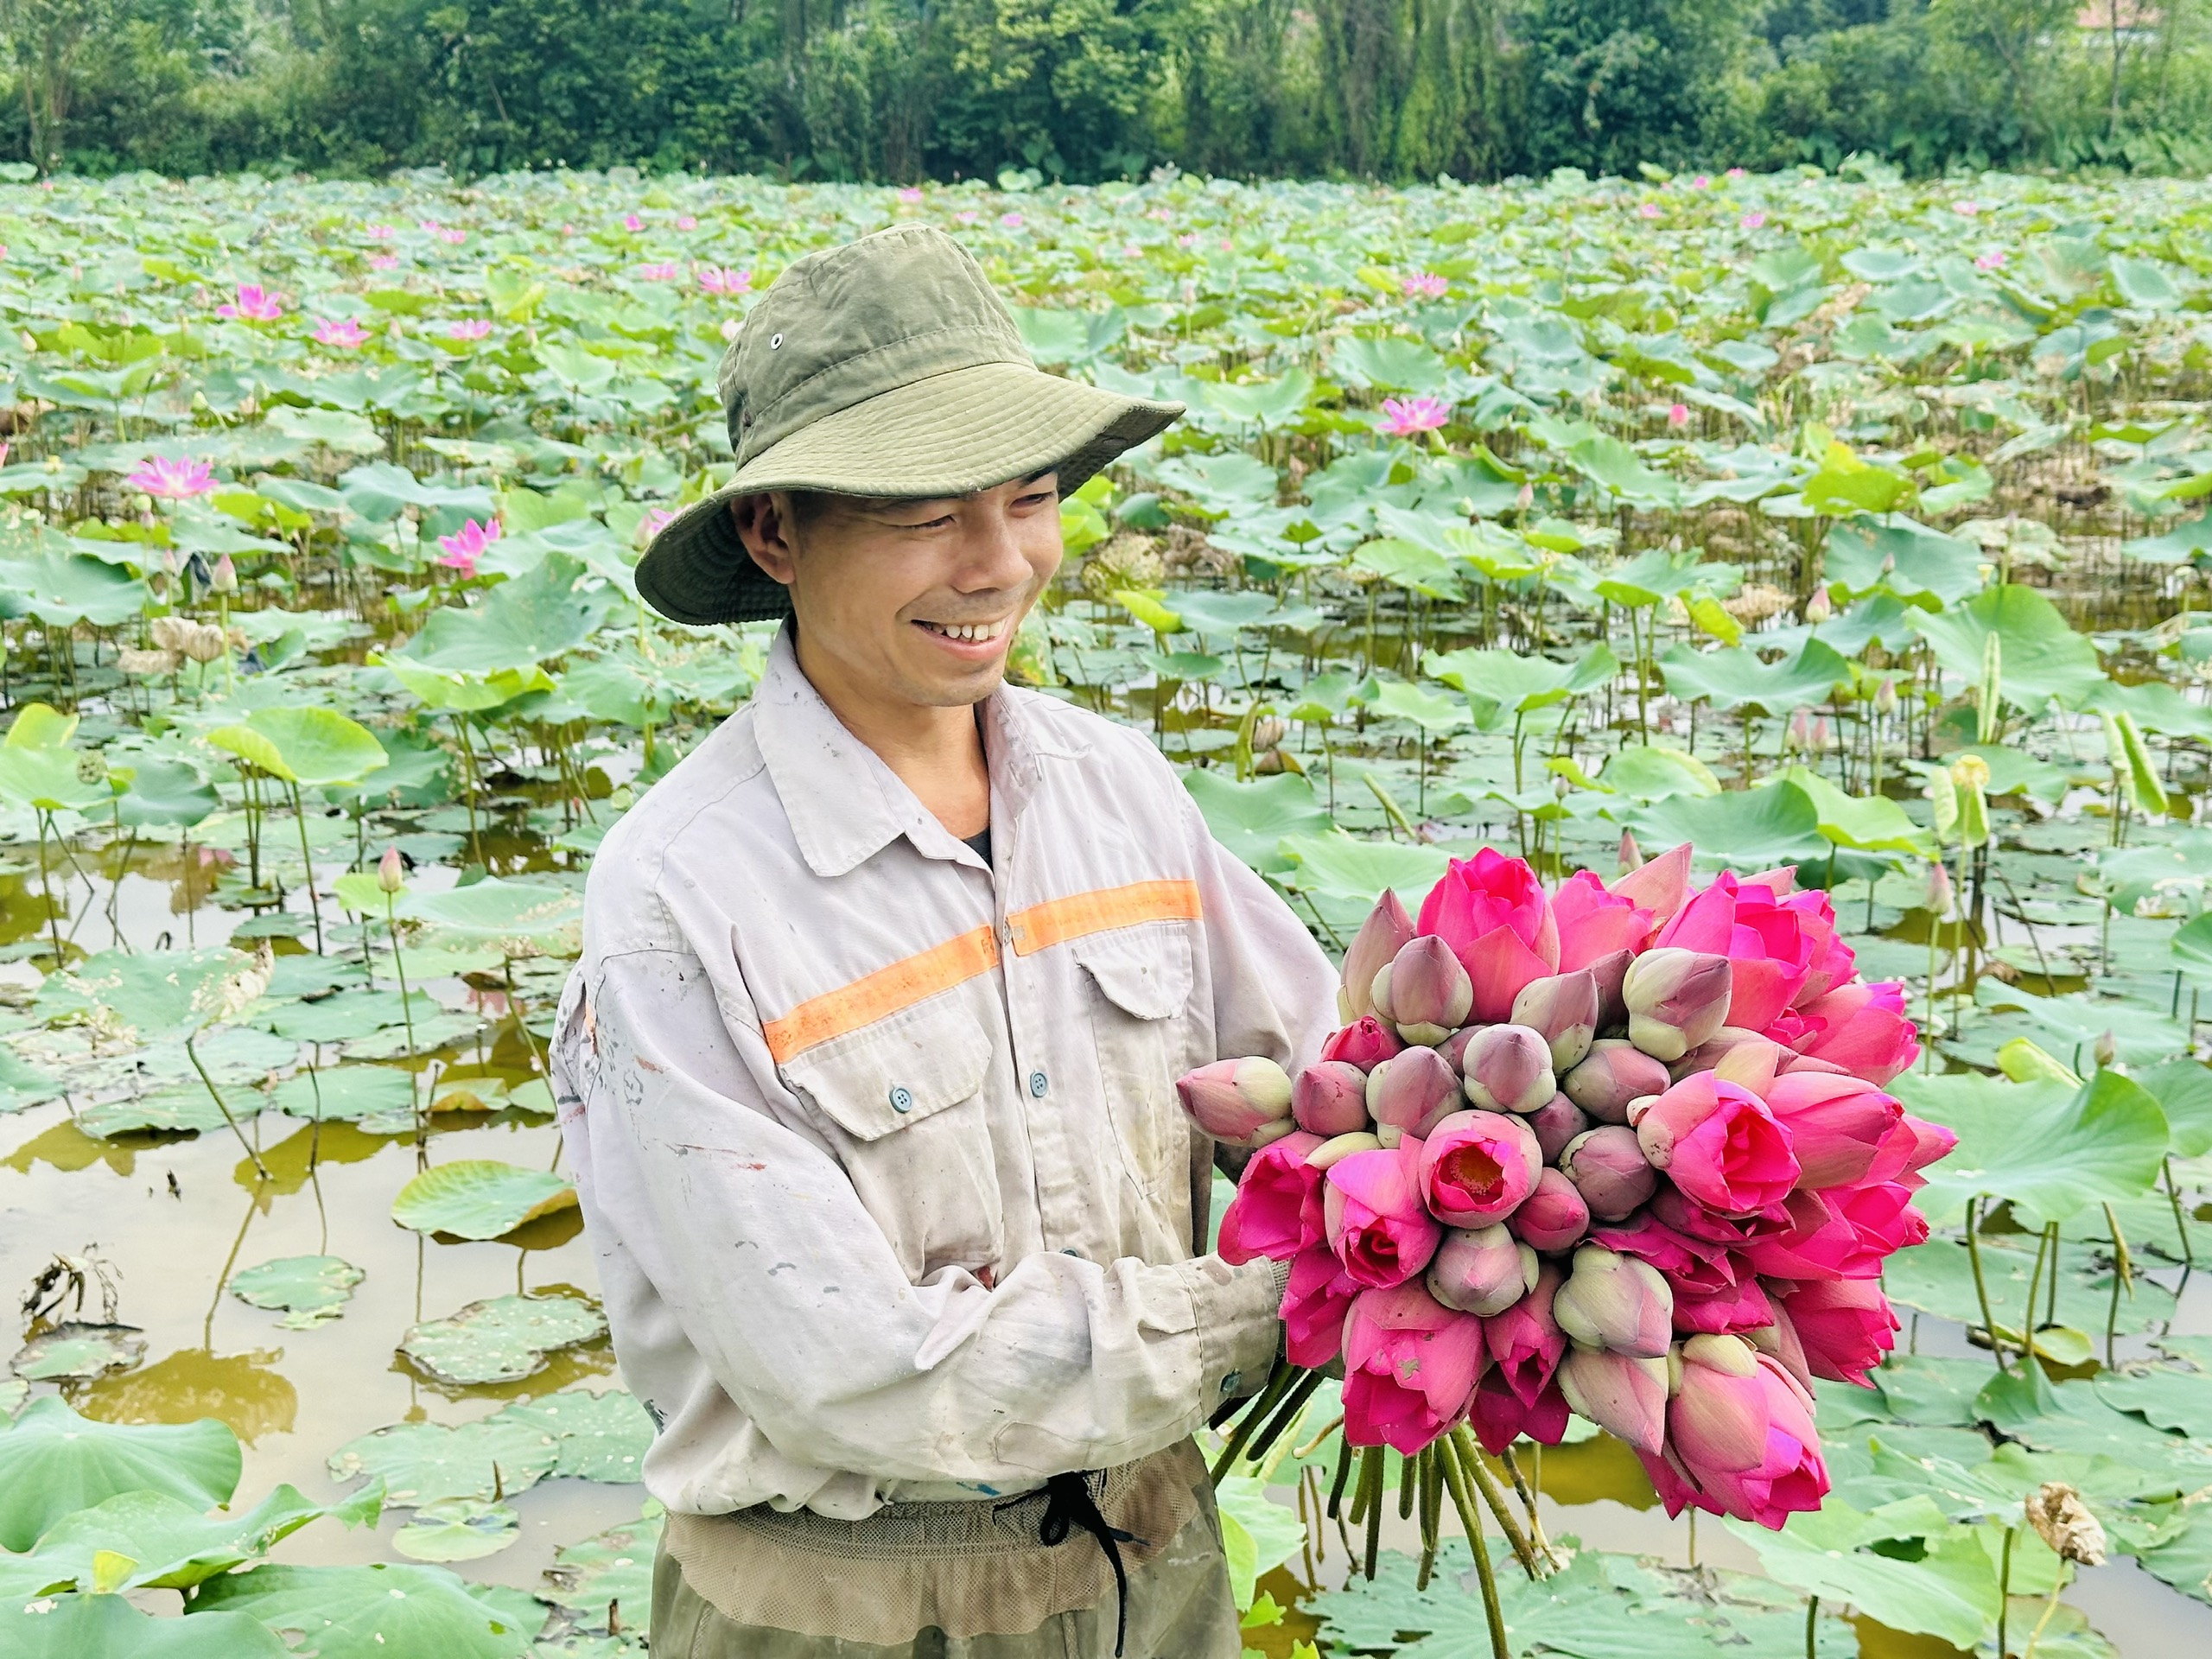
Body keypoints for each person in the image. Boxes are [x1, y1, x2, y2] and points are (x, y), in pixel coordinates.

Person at [550, 223, 1337, 1659]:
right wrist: (1280, 1309)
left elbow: (1319, 1083)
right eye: (926, 515)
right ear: (773, 532)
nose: (997, 566)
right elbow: (847, 1371)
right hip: (843, 1603)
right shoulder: (678, 894)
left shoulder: (1118, 789)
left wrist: (1489, 1182)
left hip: (1155, 1560)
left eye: (1029, 498)